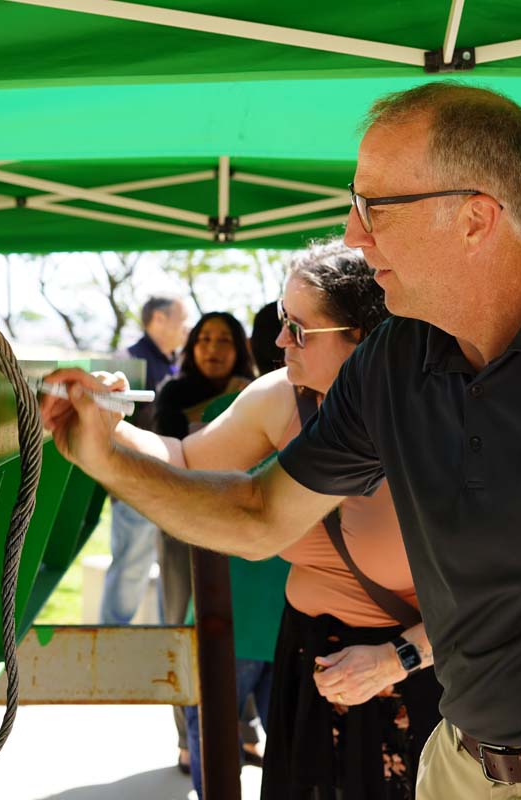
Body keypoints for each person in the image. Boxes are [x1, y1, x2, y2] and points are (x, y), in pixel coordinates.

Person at [43, 82, 521, 799]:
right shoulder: (395, 360)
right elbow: (256, 514)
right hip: (456, 768)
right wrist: (107, 454)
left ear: (477, 216)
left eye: (375, 206)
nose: (353, 234)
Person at [98, 241, 442, 798]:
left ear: (365, 335)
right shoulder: (281, 398)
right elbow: (185, 461)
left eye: (300, 329)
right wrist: (108, 422)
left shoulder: (437, 417)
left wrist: (395, 659)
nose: (279, 340)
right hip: (306, 656)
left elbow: (505, 595)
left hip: (417, 670)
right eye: (284, 321)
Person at [152, 310, 256, 772]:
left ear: (240, 349)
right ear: (192, 347)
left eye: (225, 340)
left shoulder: (258, 391)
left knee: (243, 629)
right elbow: (169, 447)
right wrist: (230, 404)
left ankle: (242, 730)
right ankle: (186, 738)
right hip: (181, 528)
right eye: (205, 339)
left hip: (240, 526)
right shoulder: (175, 392)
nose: (213, 348)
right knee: (181, 623)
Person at [99, 295, 187, 626]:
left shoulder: (176, 362)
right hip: (134, 488)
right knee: (131, 569)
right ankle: (110, 640)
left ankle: (167, 642)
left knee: (172, 574)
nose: (186, 328)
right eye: (181, 318)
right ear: (159, 321)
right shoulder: (127, 363)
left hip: (175, 487)